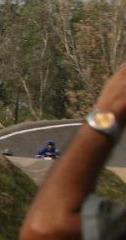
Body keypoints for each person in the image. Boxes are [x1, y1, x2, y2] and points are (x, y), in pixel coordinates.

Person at [20, 62, 126, 240]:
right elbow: (40, 153)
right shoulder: (46, 149)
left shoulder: (52, 151)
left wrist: (110, 111)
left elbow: (45, 229)